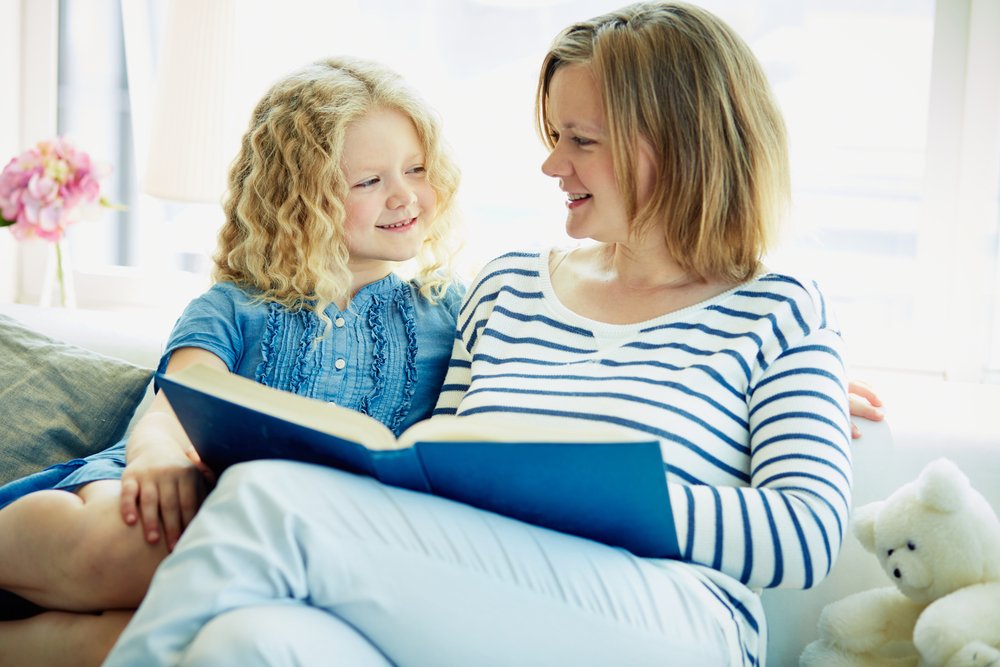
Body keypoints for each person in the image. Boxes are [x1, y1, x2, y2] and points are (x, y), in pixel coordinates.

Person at [100, 3, 860, 666]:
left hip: (674, 618)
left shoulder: (779, 309)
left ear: (675, 142)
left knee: (270, 500)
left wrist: (595, 494)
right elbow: (446, 460)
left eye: (580, 140)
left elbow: (805, 534)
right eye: (554, 134)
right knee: (247, 644)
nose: (551, 161)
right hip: (486, 600)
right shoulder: (506, 289)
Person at [0, 56, 464, 666]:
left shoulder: (448, 311)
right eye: (368, 182)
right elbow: (178, 401)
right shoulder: (237, 305)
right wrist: (160, 455)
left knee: (167, 633)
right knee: (138, 545)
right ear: (299, 200)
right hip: (167, 495)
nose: (404, 194)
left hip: (293, 538)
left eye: (416, 168)